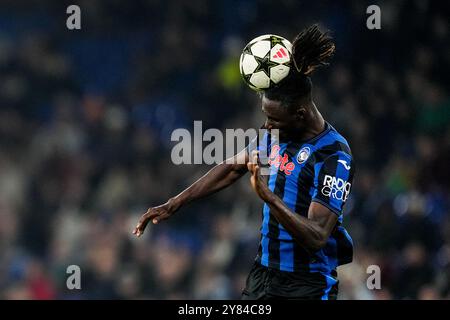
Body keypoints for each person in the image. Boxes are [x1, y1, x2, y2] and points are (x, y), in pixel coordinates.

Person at [133, 25, 355, 300]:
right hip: (263, 275)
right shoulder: (276, 133)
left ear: (299, 114)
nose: (266, 125)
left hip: (307, 285)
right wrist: (174, 203)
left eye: (273, 119)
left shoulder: (334, 155)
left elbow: (318, 235)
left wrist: (269, 197)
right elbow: (233, 166)